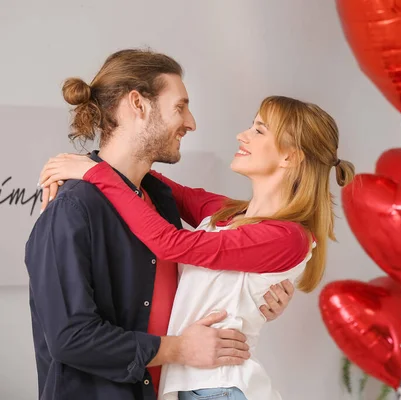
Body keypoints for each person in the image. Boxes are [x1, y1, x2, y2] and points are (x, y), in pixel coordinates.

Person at [38, 93, 355, 400]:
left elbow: (170, 244)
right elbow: (148, 180)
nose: (242, 135)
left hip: (219, 390)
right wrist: (96, 163)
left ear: (290, 155)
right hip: (199, 388)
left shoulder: (286, 237)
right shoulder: (229, 214)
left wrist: (95, 173)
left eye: (259, 130)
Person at [25, 49, 295, 400]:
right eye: (180, 107)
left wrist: (254, 295)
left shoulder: (161, 201)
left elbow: (183, 291)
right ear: (138, 104)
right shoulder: (74, 208)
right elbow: (71, 338)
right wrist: (179, 350)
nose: (191, 122)